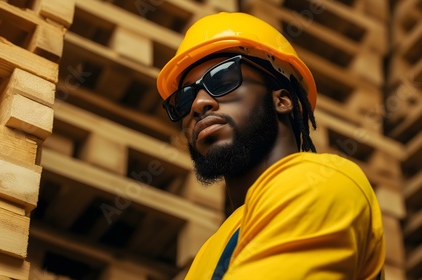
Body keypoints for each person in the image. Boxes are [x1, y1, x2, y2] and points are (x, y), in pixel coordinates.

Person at [156, 12, 385, 279]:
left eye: (222, 79)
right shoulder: (210, 251)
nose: (198, 105)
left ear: (283, 101)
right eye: (185, 98)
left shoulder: (317, 181)